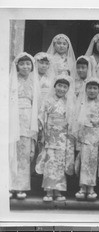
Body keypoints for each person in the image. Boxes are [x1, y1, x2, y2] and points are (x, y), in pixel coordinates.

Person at [35, 75, 76, 202]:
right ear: (55, 86)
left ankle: (58, 191)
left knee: (60, 163)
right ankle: (48, 190)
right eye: (59, 85)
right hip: (50, 135)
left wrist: (69, 136)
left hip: (63, 136)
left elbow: (71, 120)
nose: (62, 89)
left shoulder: (68, 102)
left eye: (65, 87)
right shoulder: (47, 101)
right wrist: (42, 133)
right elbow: (41, 117)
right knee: (49, 162)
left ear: (68, 89)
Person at [9, 52, 40, 199]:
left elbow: (37, 104)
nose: (25, 66)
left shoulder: (34, 82)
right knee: (12, 152)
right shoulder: (11, 81)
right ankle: (10, 185)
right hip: (13, 117)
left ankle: (21, 187)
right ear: (17, 66)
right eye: (22, 64)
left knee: (24, 153)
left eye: (28, 64)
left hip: (28, 118)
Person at [73, 77, 99, 201]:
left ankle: (91, 187)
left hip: (96, 135)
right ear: (85, 89)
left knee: (93, 162)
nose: (92, 91)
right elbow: (77, 121)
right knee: (83, 161)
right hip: (84, 135)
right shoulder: (82, 103)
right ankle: (82, 187)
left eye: (95, 88)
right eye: (90, 88)